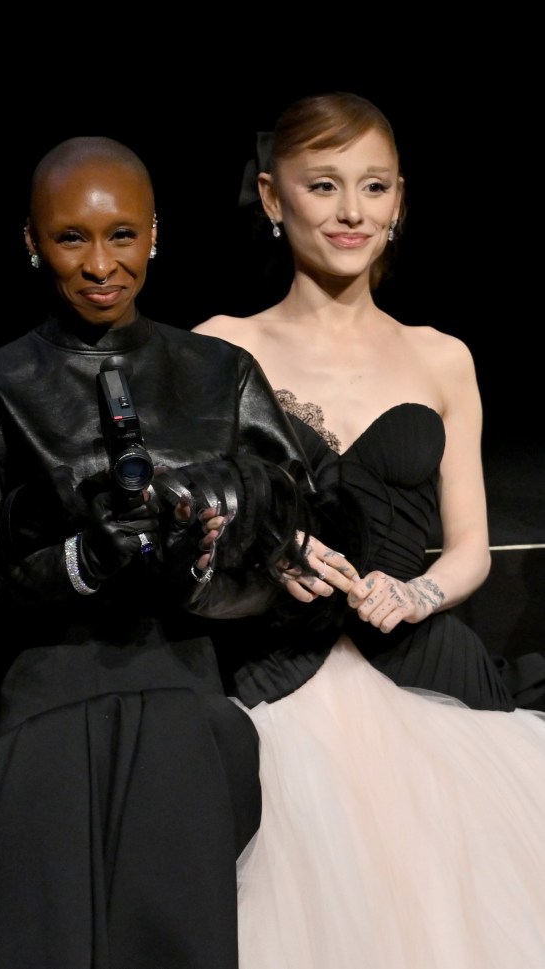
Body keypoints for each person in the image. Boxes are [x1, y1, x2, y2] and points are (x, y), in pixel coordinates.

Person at [0, 134, 330, 969]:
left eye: (123, 234)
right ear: (32, 242)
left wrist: (195, 576)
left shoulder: (220, 374)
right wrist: (76, 565)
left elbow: (280, 561)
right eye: (72, 238)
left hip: (187, 711)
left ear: (156, 233)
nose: (102, 264)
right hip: (46, 717)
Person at [193, 92, 545, 967]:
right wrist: (262, 553)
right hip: (277, 679)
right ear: (274, 200)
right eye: (324, 185)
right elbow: (192, 536)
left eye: (374, 187)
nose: (353, 212)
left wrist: (416, 589)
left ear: (398, 200)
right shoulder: (218, 351)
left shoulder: (441, 356)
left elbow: (469, 545)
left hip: (425, 672)